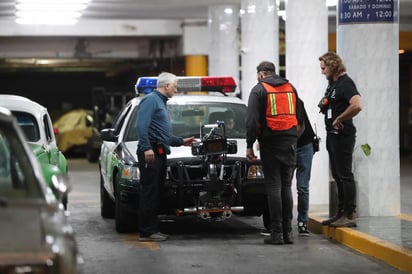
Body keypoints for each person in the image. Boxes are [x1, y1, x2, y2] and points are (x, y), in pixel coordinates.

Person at [246, 61, 301, 245]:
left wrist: (250, 144)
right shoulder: (290, 87)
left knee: (274, 187)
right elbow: (299, 117)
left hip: (270, 143)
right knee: (286, 187)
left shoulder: (258, 90)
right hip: (290, 142)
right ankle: (288, 233)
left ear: (261, 74)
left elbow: (252, 122)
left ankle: (276, 233)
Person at [136, 72, 195, 241]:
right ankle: (147, 231)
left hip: (159, 152)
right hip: (151, 153)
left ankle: (152, 228)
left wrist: (181, 141)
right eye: (175, 87)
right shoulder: (150, 100)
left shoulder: (160, 102)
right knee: (150, 191)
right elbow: (141, 126)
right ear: (167, 86)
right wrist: (147, 148)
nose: (176, 90)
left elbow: (162, 135)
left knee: (155, 192)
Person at [318, 52, 362, 227]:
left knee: (345, 174)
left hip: (343, 136)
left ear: (333, 65)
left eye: (324, 68)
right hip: (333, 136)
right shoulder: (334, 84)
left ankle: (349, 214)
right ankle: (341, 212)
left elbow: (357, 104)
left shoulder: (346, 83)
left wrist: (340, 118)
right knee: (337, 174)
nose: (322, 72)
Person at [295, 99, 317, 236]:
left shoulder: (296, 101)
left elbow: (300, 127)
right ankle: (283, 223)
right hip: (288, 146)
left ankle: (302, 222)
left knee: (302, 187)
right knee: (283, 187)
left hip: (304, 146)